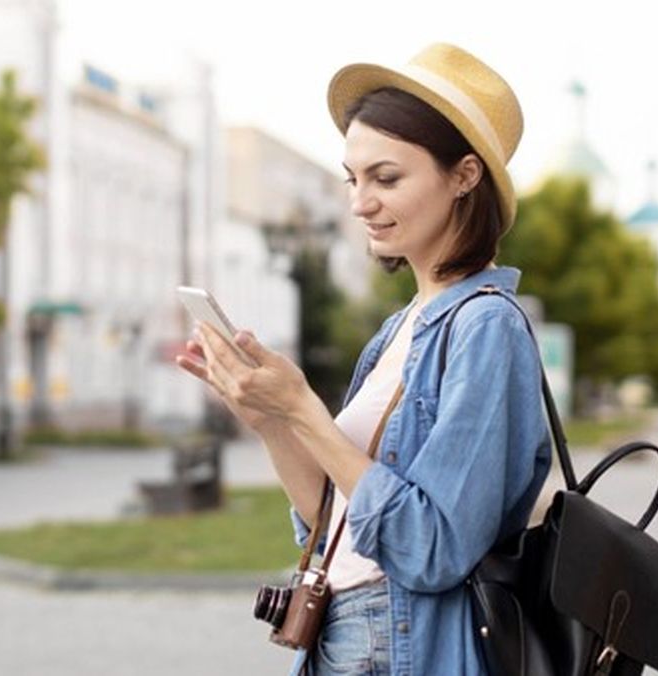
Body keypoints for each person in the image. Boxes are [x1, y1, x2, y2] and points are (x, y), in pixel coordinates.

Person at [176, 43, 552, 675]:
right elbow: (332, 522)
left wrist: (305, 409)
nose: (359, 202)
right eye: (354, 179)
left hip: (409, 646)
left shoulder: (487, 327)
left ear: (464, 176)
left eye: (386, 178)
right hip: (346, 640)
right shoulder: (398, 329)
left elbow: (433, 549)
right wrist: (273, 418)